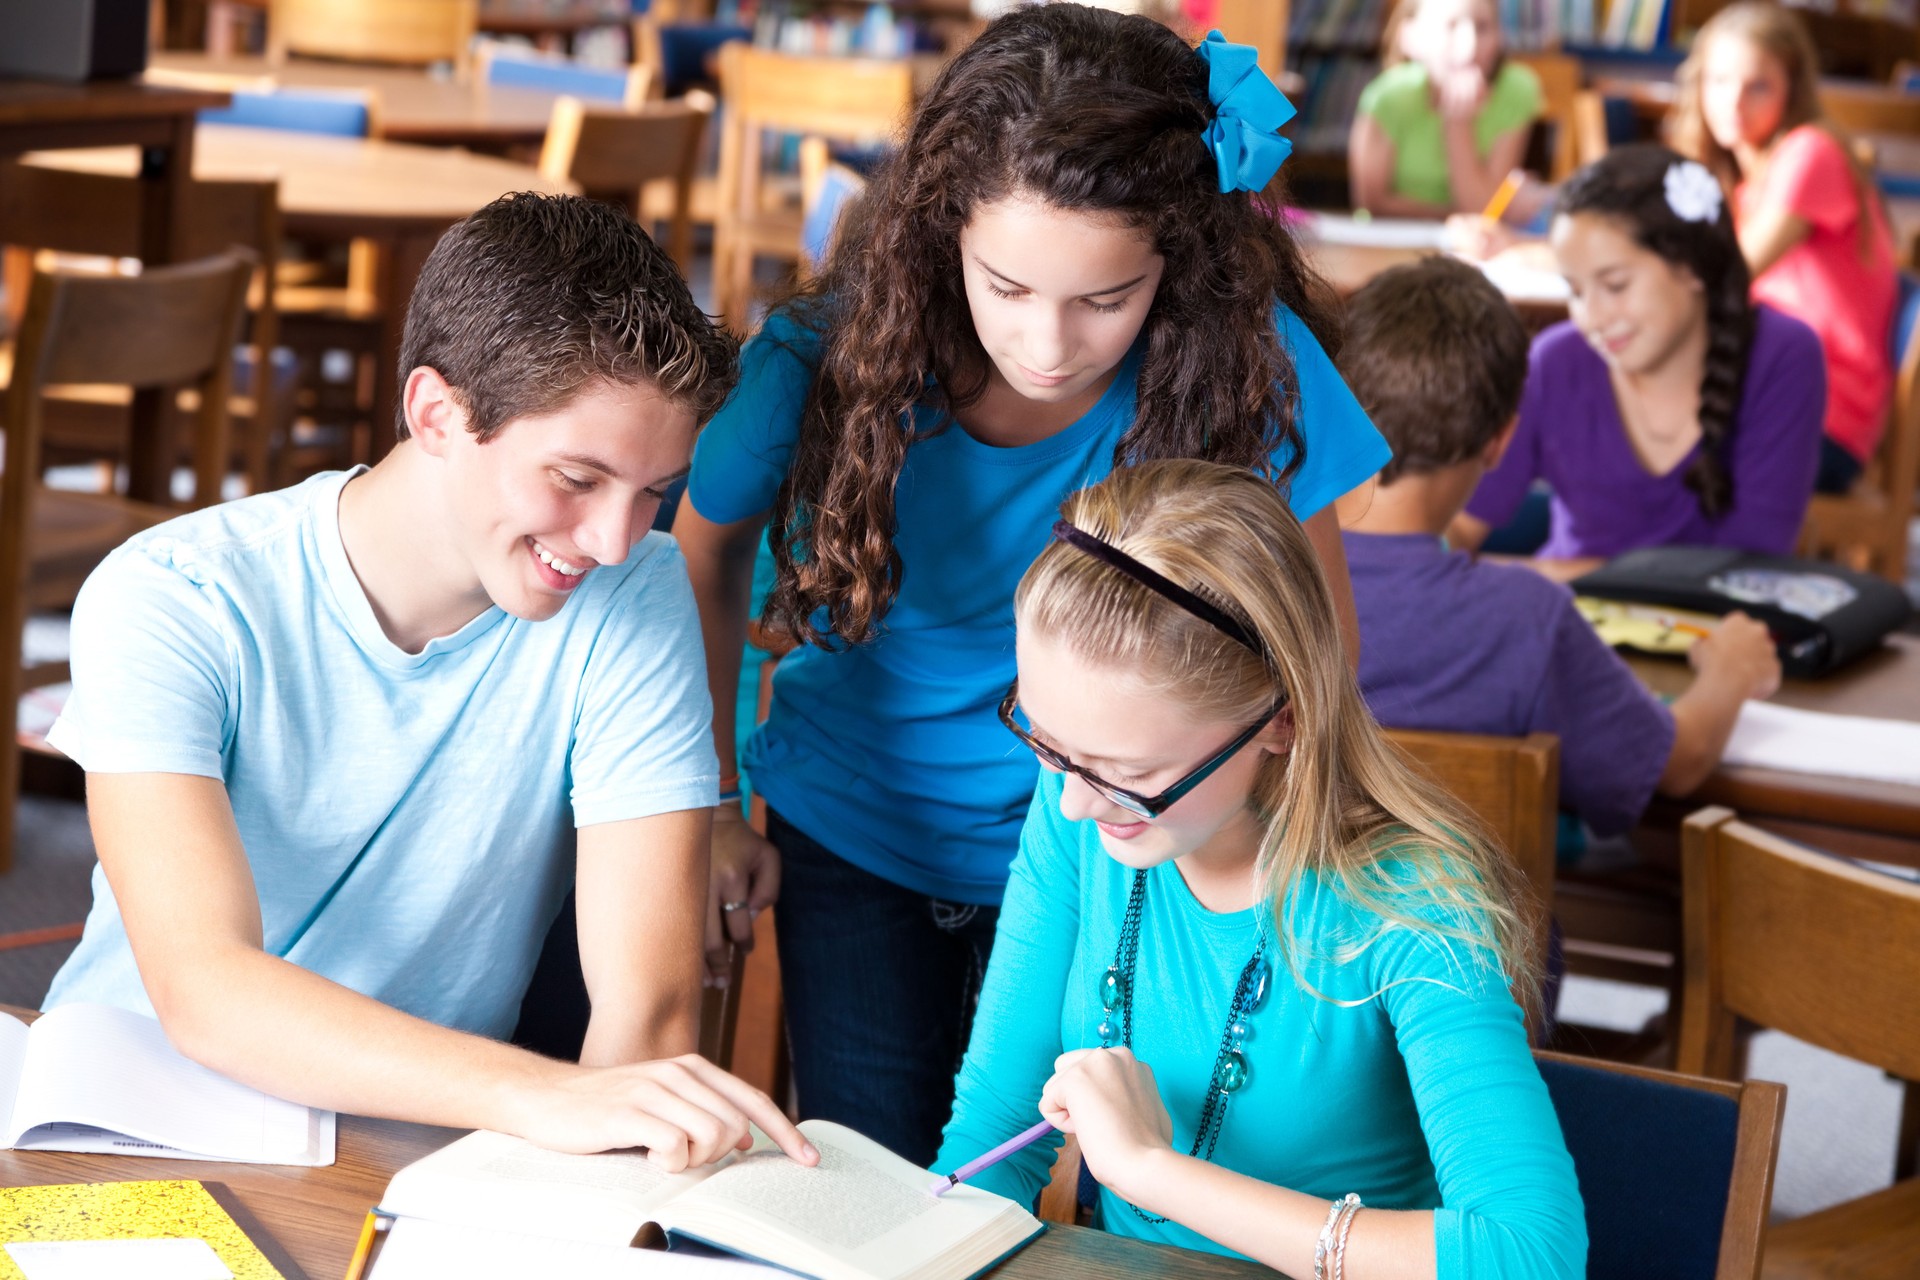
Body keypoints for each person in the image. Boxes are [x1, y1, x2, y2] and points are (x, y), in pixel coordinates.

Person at [676, 3, 1389, 1165]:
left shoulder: (1246, 360)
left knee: (1119, 1183)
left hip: (1121, 844)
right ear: (939, 230)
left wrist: (1273, 864)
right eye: (1004, 286)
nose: (1049, 342)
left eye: (1106, 299)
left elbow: (1320, 652)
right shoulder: (827, 351)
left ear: (1180, 263)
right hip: (857, 830)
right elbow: (697, 554)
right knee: (876, 1171)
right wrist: (707, 805)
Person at [41, 194, 815, 1170]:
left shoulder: (634, 592)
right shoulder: (173, 596)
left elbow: (647, 1016)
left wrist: (601, 1194)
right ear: (436, 412)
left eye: (655, 488)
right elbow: (207, 988)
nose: (618, 538)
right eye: (577, 478)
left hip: (409, 1146)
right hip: (128, 1118)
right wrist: (555, 1097)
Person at [937, 459, 1585, 1278]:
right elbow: (994, 1127)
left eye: (1128, 775)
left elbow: (1531, 1256)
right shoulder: (1083, 803)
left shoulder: (1415, 901)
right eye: (1047, 742)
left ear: (1282, 720)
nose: (1071, 804)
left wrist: (1152, 1174)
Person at [1337, 257, 1781, 838]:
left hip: (1287, 926)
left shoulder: (1251, 573)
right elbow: (1679, 765)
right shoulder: (1525, 618)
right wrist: (1731, 672)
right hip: (1487, 927)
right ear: (1500, 443)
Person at [1451, 143, 1826, 580]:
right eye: (1575, 290)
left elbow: (1749, 567)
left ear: (1692, 267)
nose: (1591, 317)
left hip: (1710, 640)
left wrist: (1548, 575)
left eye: (1615, 285)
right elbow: (1461, 524)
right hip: (1568, 628)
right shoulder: (1553, 363)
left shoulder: (1784, 358)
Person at [1668, 0, 1899, 495]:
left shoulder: (1809, 153)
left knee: (1635, 442)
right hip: (1767, 391)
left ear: (1792, 88)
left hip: (1821, 417)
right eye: (1720, 81)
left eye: (1758, 86)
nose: (1735, 103)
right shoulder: (1746, 181)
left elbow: (1725, 276)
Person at [1349, 0, 1543, 218]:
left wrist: (1458, 121)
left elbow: (1481, 211)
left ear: (1500, 36)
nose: (1469, 46)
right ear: (1410, 37)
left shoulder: (1517, 89)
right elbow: (1371, 204)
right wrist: (1454, 214)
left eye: (1483, 27)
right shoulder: (1387, 96)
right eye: (1451, 26)